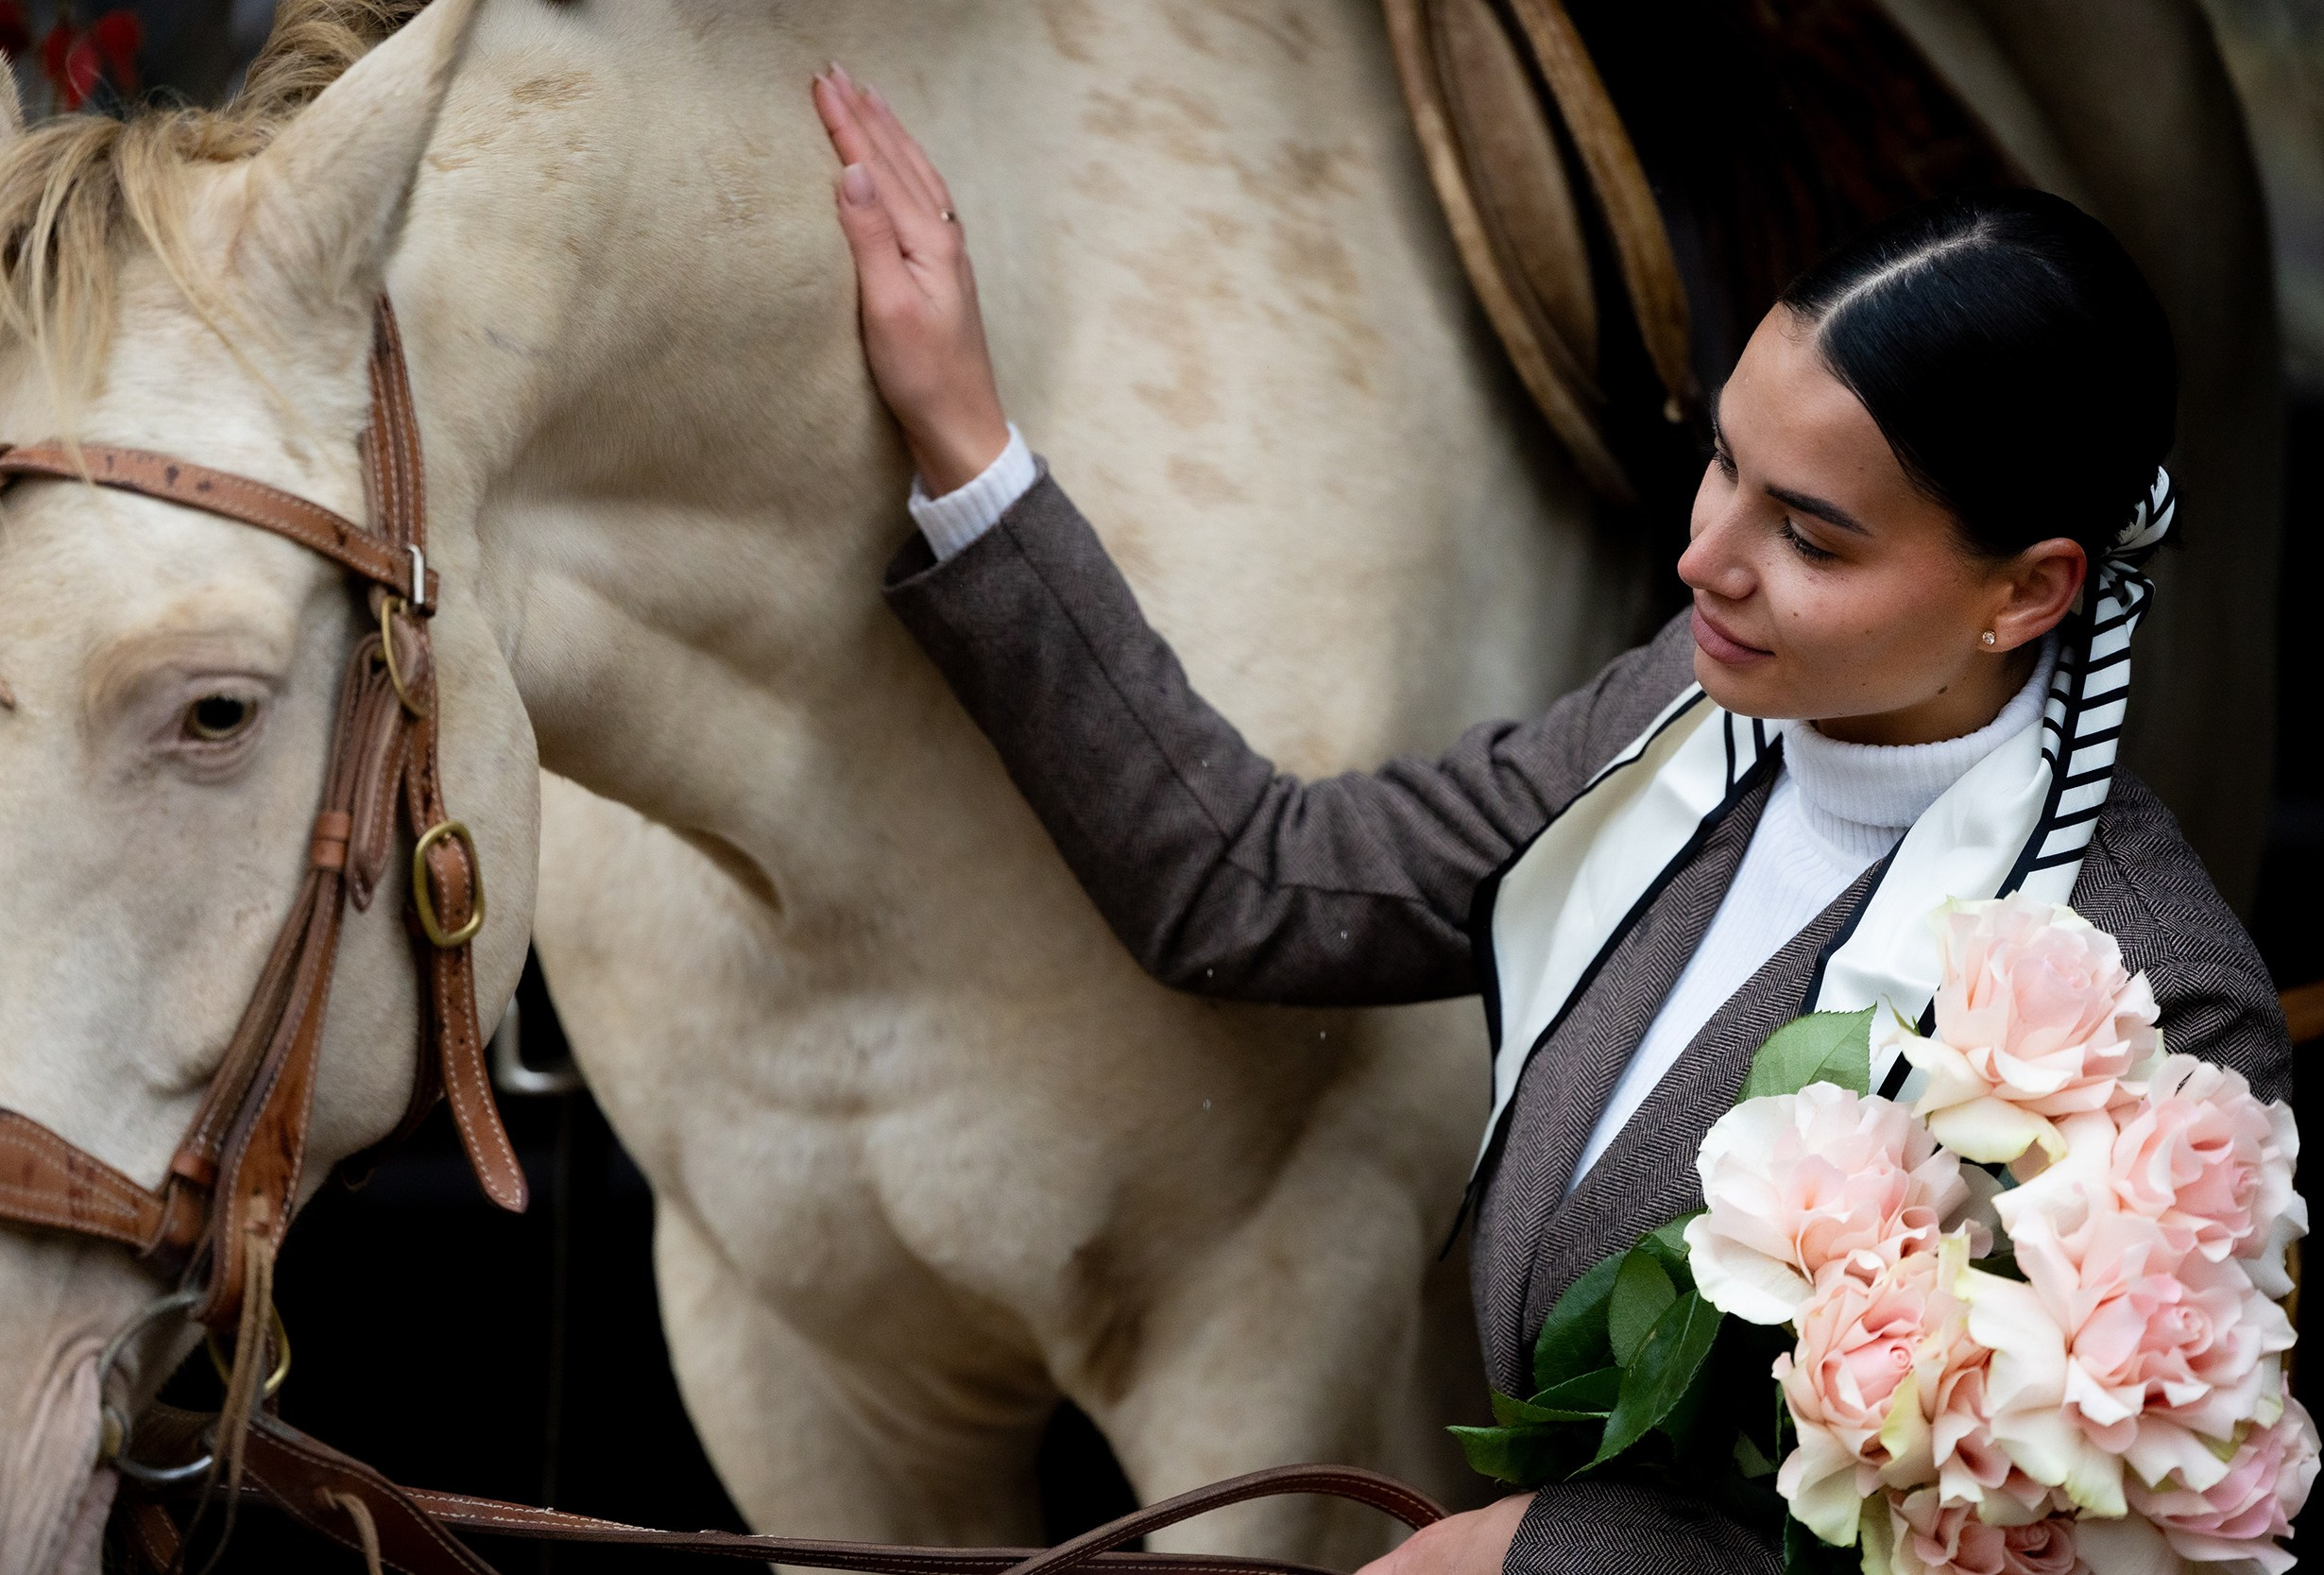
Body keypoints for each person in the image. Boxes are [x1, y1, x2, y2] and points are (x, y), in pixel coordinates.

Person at [810, 66, 2293, 1575]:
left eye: (1809, 536)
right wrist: (968, 452)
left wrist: (1537, 1558)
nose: (1701, 555)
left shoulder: (2153, 1022)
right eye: (1724, 462)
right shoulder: (1682, 719)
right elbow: (1259, 881)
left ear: (2028, 590)